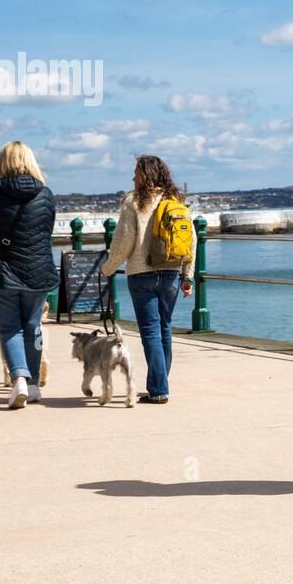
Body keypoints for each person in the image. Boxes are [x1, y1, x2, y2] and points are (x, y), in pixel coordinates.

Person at [101, 155, 196, 404]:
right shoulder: (176, 202)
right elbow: (191, 242)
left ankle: (158, 389)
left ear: (145, 175)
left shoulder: (133, 202)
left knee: (151, 333)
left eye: (136, 172)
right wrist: (188, 276)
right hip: (171, 273)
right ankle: (159, 384)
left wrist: (108, 268)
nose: (133, 177)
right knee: (164, 329)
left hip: (141, 274)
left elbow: (124, 241)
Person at [0, 141, 59, 409]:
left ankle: (19, 380)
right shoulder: (45, 194)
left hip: (3, 272)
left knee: (9, 327)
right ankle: (33, 385)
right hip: (39, 271)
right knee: (33, 326)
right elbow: (47, 230)